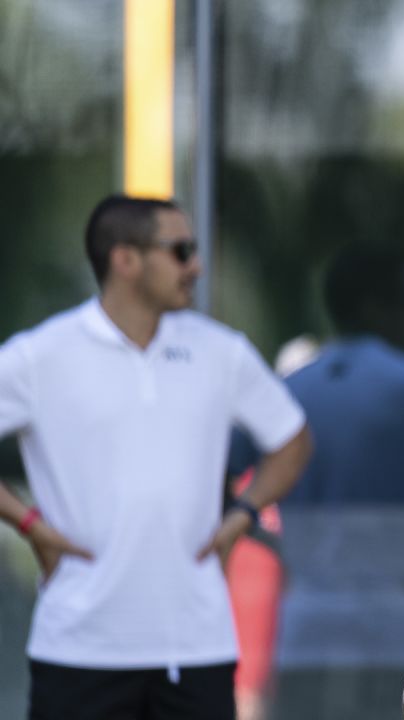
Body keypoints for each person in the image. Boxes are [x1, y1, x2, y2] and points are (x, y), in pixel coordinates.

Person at [0, 195, 312, 720]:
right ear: (126, 260)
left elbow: (293, 441)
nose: (196, 266)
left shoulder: (221, 351)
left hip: (197, 650)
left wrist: (243, 515)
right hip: (76, 650)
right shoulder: (42, 354)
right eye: (181, 250)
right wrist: (28, 523)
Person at [229, 245, 404, 719]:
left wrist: (271, 543)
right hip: (397, 626)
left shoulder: (291, 390)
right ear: (377, 306)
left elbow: (215, 477)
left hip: (307, 630)